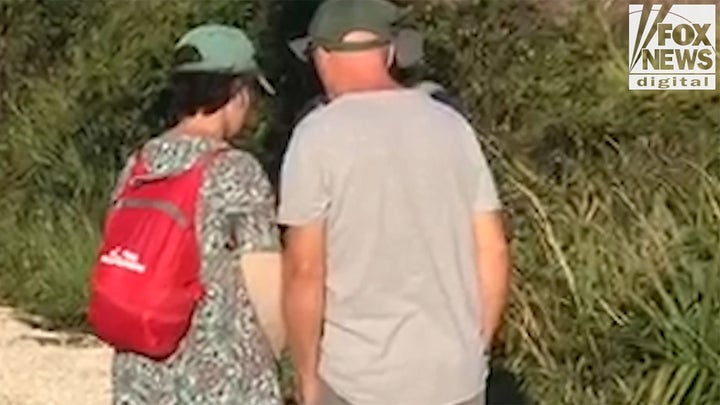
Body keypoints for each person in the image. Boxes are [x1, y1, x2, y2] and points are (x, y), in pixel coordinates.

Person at [278, 1, 511, 405]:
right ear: (389, 52)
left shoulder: (317, 136)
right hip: (455, 376)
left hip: (358, 382)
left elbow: (304, 270)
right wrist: (475, 350)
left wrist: (306, 378)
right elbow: (492, 249)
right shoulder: (452, 127)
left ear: (321, 54)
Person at [110, 24, 283, 405]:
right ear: (238, 93)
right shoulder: (236, 170)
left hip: (142, 369)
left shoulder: (140, 162)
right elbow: (264, 280)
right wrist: (279, 354)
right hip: (223, 377)